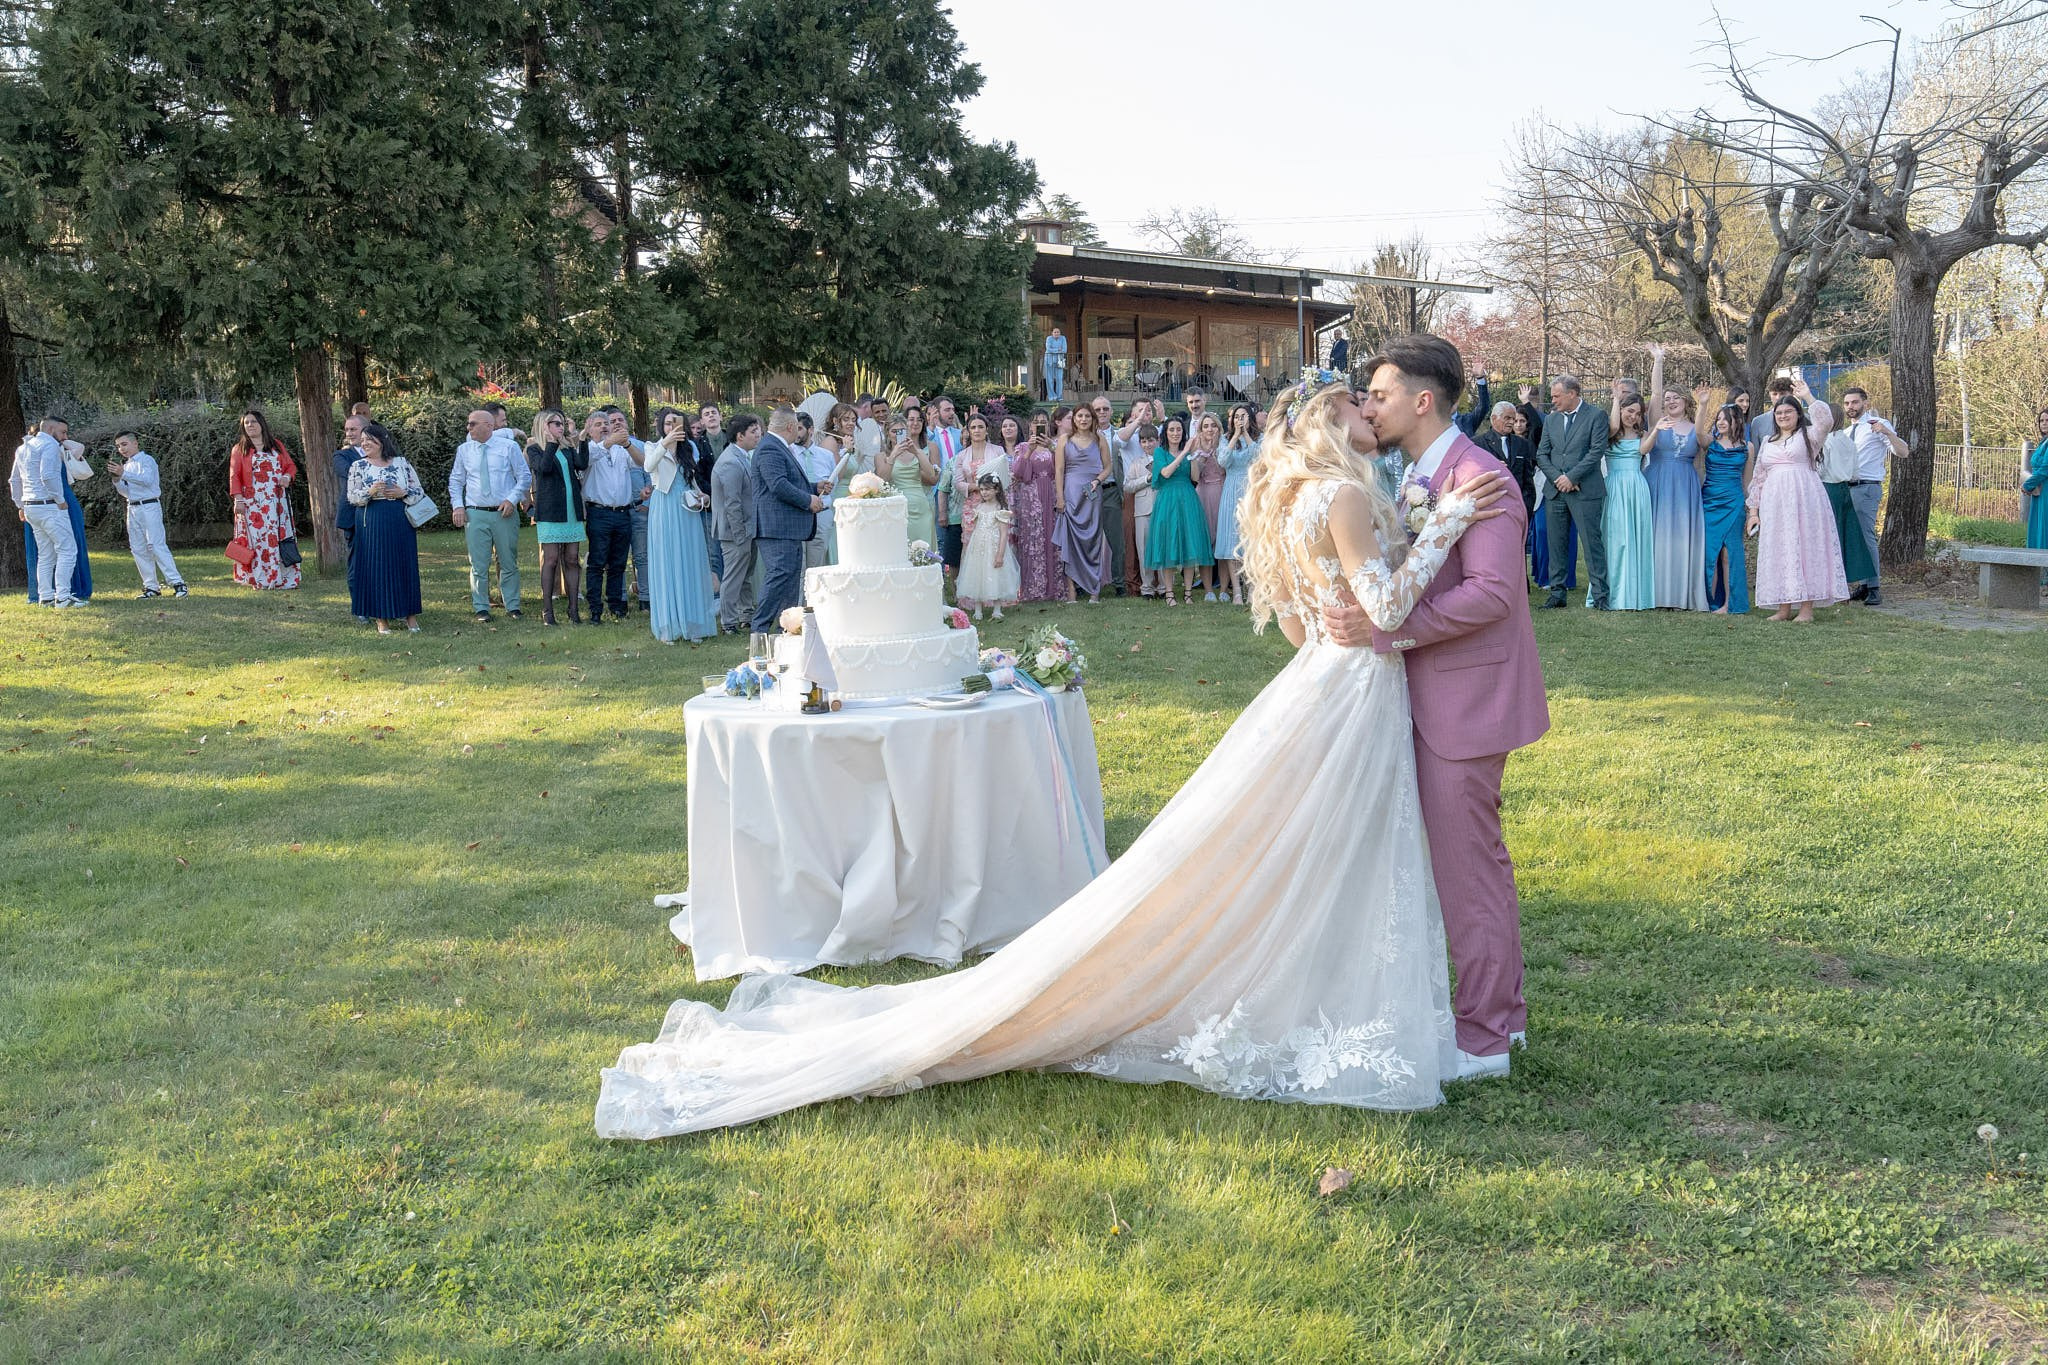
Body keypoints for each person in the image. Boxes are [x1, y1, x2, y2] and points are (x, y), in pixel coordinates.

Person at [593, 368, 1523, 1142]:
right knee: (1336, 849)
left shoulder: (1294, 498)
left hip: (1327, 679)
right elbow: (1386, 609)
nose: (1370, 409)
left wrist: (1346, 614)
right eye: (1358, 401)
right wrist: (1442, 526)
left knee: (1319, 849)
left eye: (1375, 397)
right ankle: (1337, 997)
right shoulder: (1348, 493)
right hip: (1354, 686)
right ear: (1326, 422)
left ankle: (1331, 985)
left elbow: (1293, 623)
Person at [1328, 334, 1550, 1077]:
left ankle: (1486, 1037)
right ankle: (1503, 1017)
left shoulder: (1481, 478)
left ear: (1422, 401)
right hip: (1429, 694)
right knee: (1465, 864)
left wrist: (1389, 633)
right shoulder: (1418, 477)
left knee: (1469, 868)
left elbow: (1492, 593)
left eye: (1379, 394)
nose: (1368, 407)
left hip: (1467, 701)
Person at [1747, 375, 1847, 623]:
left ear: (1798, 414)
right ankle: (1783, 608)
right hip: (1775, 503)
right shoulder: (1768, 441)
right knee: (1780, 549)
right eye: (1779, 413)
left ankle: (1806, 609)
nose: (1783, 416)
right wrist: (1753, 512)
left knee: (1805, 548)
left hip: (1805, 498)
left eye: (1788, 412)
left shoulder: (1810, 435)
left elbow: (1826, 421)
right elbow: (1759, 477)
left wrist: (1808, 397)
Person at [1641, 349, 1709, 610]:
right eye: (1667, 399)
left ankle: (1680, 594)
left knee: (1682, 536)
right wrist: (1658, 361)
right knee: (1657, 535)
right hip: (1657, 482)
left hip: (1685, 486)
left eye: (1676, 398)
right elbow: (1656, 394)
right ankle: (1656, 593)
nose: (1670, 402)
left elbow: (1702, 443)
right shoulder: (1657, 422)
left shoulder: (1695, 428)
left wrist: (1703, 404)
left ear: (1685, 400)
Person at [1533, 375, 1608, 609]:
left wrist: (1572, 477)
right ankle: (1557, 593)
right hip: (1556, 491)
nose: (1553, 400)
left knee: (1591, 544)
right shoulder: (1551, 420)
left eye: (1556, 396)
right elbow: (1542, 454)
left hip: (1586, 490)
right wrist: (1559, 479)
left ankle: (1600, 596)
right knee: (1556, 544)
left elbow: (1596, 451)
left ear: (1572, 394)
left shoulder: (1596, 416)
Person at [643, 410, 718, 644]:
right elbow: (648, 466)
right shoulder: (652, 446)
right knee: (667, 562)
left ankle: (693, 623)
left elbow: (691, 479)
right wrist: (666, 443)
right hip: (664, 506)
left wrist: (702, 495)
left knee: (690, 561)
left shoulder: (689, 449)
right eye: (668, 424)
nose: (672, 427)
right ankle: (668, 625)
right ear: (661, 426)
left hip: (686, 508)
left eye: (676, 424)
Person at [449, 409, 529, 621]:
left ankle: (512, 605)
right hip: (475, 513)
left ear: (489, 425)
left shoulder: (509, 447)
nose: (469, 427)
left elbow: (524, 476)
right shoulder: (464, 450)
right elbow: (456, 481)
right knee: (478, 563)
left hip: (503, 513)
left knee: (508, 560)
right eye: (469, 423)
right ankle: (481, 607)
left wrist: (512, 499)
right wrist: (458, 506)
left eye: (473, 423)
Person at [345, 422, 424, 635]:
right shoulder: (358, 466)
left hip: (400, 519)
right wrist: (370, 492)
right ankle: (381, 618)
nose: (364, 444)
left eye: (368, 440)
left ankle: (410, 616)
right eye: (362, 440)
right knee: (377, 566)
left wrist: (403, 493)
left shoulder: (401, 463)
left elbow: (419, 491)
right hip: (372, 520)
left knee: (404, 564)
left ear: (381, 441)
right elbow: (352, 497)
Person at [750, 407, 821, 632]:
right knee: (779, 577)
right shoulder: (770, 448)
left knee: (789, 579)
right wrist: (808, 500)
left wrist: (814, 488)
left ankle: (788, 629)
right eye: (798, 427)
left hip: (787, 527)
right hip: (776, 527)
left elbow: (788, 482)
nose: (799, 432)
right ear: (790, 427)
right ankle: (759, 630)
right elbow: (778, 485)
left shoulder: (777, 446)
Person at [1836, 386, 1908, 605]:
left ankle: (1874, 587)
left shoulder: (1877, 425)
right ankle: (1863, 584)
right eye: (1847, 403)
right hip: (1846, 487)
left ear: (1865, 403)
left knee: (1866, 535)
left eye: (1855, 402)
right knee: (1852, 537)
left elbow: (1903, 452)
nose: (1850, 407)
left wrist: (1887, 433)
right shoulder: (1845, 432)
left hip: (1866, 487)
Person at [105, 432, 187, 599]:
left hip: (149, 506)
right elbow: (127, 492)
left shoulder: (146, 460)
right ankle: (151, 586)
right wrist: (117, 480)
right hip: (133, 507)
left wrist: (123, 474)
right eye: (119, 446)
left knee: (156, 545)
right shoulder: (127, 465)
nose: (122, 449)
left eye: (124, 444)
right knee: (138, 548)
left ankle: (178, 583)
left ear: (135, 443)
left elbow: (147, 480)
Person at [11, 419, 82, 608]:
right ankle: (63, 596)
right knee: (67, 549)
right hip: (48, 505)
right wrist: (60, 500)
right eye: (63, 432)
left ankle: (46, 596)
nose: (65, 436)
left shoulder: (23, 448)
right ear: (51, 428)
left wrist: (20, 505)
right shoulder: (49, 445)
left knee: (45, 554)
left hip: (30, 506)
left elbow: (14, 480)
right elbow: (48, 475)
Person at [228, 409, 301, 591]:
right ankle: (260, 577)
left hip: (277, 501)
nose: (250, 425)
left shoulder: (276, 445)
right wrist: (238, 500)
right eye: (246, 423)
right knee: (257, 540)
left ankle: (281, 577)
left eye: (253, 421)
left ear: (261, 424)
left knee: (278, 537)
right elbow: (234, 476)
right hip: (252, 503)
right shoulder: (239, 449)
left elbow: (290, 466)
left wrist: (287, 477)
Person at [526, 409, 587, 625]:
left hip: (571, 510)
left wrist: (583, 440)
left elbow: (582, 464)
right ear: (544, 426)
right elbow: (543, 469)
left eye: (562, 424)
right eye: (556, 424)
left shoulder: (567, 448)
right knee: (551, 559)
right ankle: (547, 611)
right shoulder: (534, 449)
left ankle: (573, 610)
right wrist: (551, 444)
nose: (561, 427)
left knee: (572, 559)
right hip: (550, 511)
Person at [1145, 413, 1212, 606]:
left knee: (1189, 544)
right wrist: (1184, 453)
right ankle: (1169, 593)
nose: (1175, 433)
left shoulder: (1188, 452)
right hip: (1167, 500)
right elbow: (1165, 473)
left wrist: (1193, 455)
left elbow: (1195, 477)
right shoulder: (1160, 452)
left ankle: (1188, 592)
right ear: (1165, 433)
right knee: (1168, 545)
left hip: (1187, 498)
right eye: (1172, 430)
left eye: (1179, 430)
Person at [584, 409, 641, 625]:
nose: (604, 427)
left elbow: (641, 462)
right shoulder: (588, 448)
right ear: (589, 429)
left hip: (622, 513)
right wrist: (611, 441)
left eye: (606, 423)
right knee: (597, 562)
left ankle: (616, 606)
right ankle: (595, 608)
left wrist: (627, 444)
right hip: (599, 512)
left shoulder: (620, 449)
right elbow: (588, 460)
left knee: (618, 563)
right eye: (598, 424)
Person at [1600, 394, 1656, 611]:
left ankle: (1634, 594)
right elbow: (1613, 425)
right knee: (1615, 539)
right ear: (1621, 410)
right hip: (1614, 487)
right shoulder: (1608, 433)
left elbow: (1644, 450)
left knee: (1635, 539)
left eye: (1638, 413)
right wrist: (1615, 400)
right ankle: (1612, 593)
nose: (1633, 416)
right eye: (1629, 411)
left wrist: (1657, 429)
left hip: (1636, 488)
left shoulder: (1643, 434)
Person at [1053, 403, 1112, 602]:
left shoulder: (1099, 439)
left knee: (1093, 540)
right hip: (1070, 494)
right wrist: (1060, 497)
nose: (1083, 419)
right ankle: (1071, 590)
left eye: (1087, 416)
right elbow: (1059, 470)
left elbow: (1108, 467)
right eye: (1079, 416)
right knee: (1070, 541)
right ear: (1074, 419)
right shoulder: (1064, 440)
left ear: (1092, 419)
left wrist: (1097, 480)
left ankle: (1094, 590)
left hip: (1092, 495)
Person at [1699, 404, 1752, 614]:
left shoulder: (1747, 447)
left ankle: (1730, 603)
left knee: (1730, 554)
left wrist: (1752, 511)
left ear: (1736, 421)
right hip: (1710, 502)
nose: (1721, 422)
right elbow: (1697, 433)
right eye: (1718, 418)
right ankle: (1709, 601)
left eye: (1726, 419)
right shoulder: (1710, 443)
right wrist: (1703, 405)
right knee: (1710, 552)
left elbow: (1748, 482)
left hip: (1734, 503)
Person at [711, 414, 760, 633]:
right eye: (753, 431)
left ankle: (745, 615)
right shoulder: (730, 461)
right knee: (732, 577)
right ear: (740, 436)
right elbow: (732, 503)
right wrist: (740, 535)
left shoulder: (742, 457)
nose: (758, 435)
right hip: (734, 531)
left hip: (747, 528)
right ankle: (728, 622)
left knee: (745, 575)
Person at [1010, 414, 1062, 602]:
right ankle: (1033, 587)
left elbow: (1062, 468)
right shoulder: (1023, 447)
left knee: (1052, 536)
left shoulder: (1055, 445)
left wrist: (1052, 448)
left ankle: (1052, 587)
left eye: (1043, 423)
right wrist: (1029, 451)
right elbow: (1016, 472)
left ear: (1048, 425)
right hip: (1031, 497)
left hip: (1051, 493)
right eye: (1036, 423)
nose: (1039, 425)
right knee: (1033, 537)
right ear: (1030, 426)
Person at [955, 466, 1019, 619]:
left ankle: (997, 608)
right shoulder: (979, 507)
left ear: (996, 489)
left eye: (988, 489)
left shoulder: (1000, 509)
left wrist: (1000, 554)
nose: (984, 492)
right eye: (982, 489)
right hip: (979, 547)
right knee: (978, 574)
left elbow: (1004, 533)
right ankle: (978, 609)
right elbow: (977, 528)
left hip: (994, 546)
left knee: (996, 574)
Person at [1211, 404, 1257, 602]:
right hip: (1231, 489)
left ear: (1250, 418)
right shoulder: (1225, 439)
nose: (1240, 419)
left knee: (1251, 540)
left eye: (1243, 416)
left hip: (1251, 489)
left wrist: (1246, 435)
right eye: (1237, 417)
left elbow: (1259, 457)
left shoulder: (1259, 438)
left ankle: (1252, 588)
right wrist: (1235, 436)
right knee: (1232, 539)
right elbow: (1223, 461)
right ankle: (1237, 590)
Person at [880, 407, 939, 548]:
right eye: (894, 431)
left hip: (920, 507)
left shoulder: (917, 452)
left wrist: (917, 452)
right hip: (896, 508)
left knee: (924, 550)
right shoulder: (881, 456)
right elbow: (882, 481)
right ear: (887, 433)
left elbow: (932, 474)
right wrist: (893, 455)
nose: (897, 435)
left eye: (901, 431)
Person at [1088, 395, 1126, 595]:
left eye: (1105, 408)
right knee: (1088, 540)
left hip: (1111, 490)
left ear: (1111, 411)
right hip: (1089, 492)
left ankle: (1119, 583)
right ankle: (1086, 583)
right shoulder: (1084, 436)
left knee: (1117, 541)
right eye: (1098, 409)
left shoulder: (1119, 436)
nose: (1102, 412)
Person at [817, 403, 863, 563]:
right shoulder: (830, 441)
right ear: (835, 421)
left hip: (850, 499)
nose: (851, 423)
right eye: (846, 419)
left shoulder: (847, 442)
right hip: (836, 499)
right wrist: (847, 451)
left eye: (853, 420)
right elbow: (839, 475)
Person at [333, 413, 367, 616]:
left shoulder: (383, 453)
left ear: (365, 430)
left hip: (380, 515)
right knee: (357, 562)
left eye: (353, 429)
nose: (349, 433)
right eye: (346, 429)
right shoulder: (341, 456)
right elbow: (349, 473)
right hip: (353, 516)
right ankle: (360, 608)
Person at [1125, 423, 1163, 598]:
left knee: (1162, 547)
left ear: (1158, 440)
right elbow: (1128, 486)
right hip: (1142, 510)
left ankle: (1164, 586)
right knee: (1144, 549)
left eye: (1151, 440)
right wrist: (1146, 479)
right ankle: (1147, 587)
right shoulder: (1136, 463)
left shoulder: (1165, 459)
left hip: (1162, 507)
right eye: (1144, 441)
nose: (1148, 444)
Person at [2026, 406, 2048, 573]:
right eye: (2041, 420)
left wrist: (2027, 485)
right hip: (2039, 491)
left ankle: (2044, 573)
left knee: (2044, 528)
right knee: (2038, 528)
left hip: (2046, 492)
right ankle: (2037, 571)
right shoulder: (2043, 442)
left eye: (2047, 420)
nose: (2044, 423)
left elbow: (2045, 469)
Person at [1043, 325, 1067, 401]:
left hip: (1059, 361)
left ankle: (1059, 396)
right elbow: (1048, 349)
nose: (1056, 333)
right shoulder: (1049, 338)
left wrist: (1054, 350)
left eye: (1058, 332)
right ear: (1052, 333)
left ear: (1060, 333)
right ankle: (1052, 396)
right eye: (1055, 332)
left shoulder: (1063, 338)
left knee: (1059, 379)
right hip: (1049, 361)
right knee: (1049, 379)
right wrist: (1058, 350)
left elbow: (1064, 350)